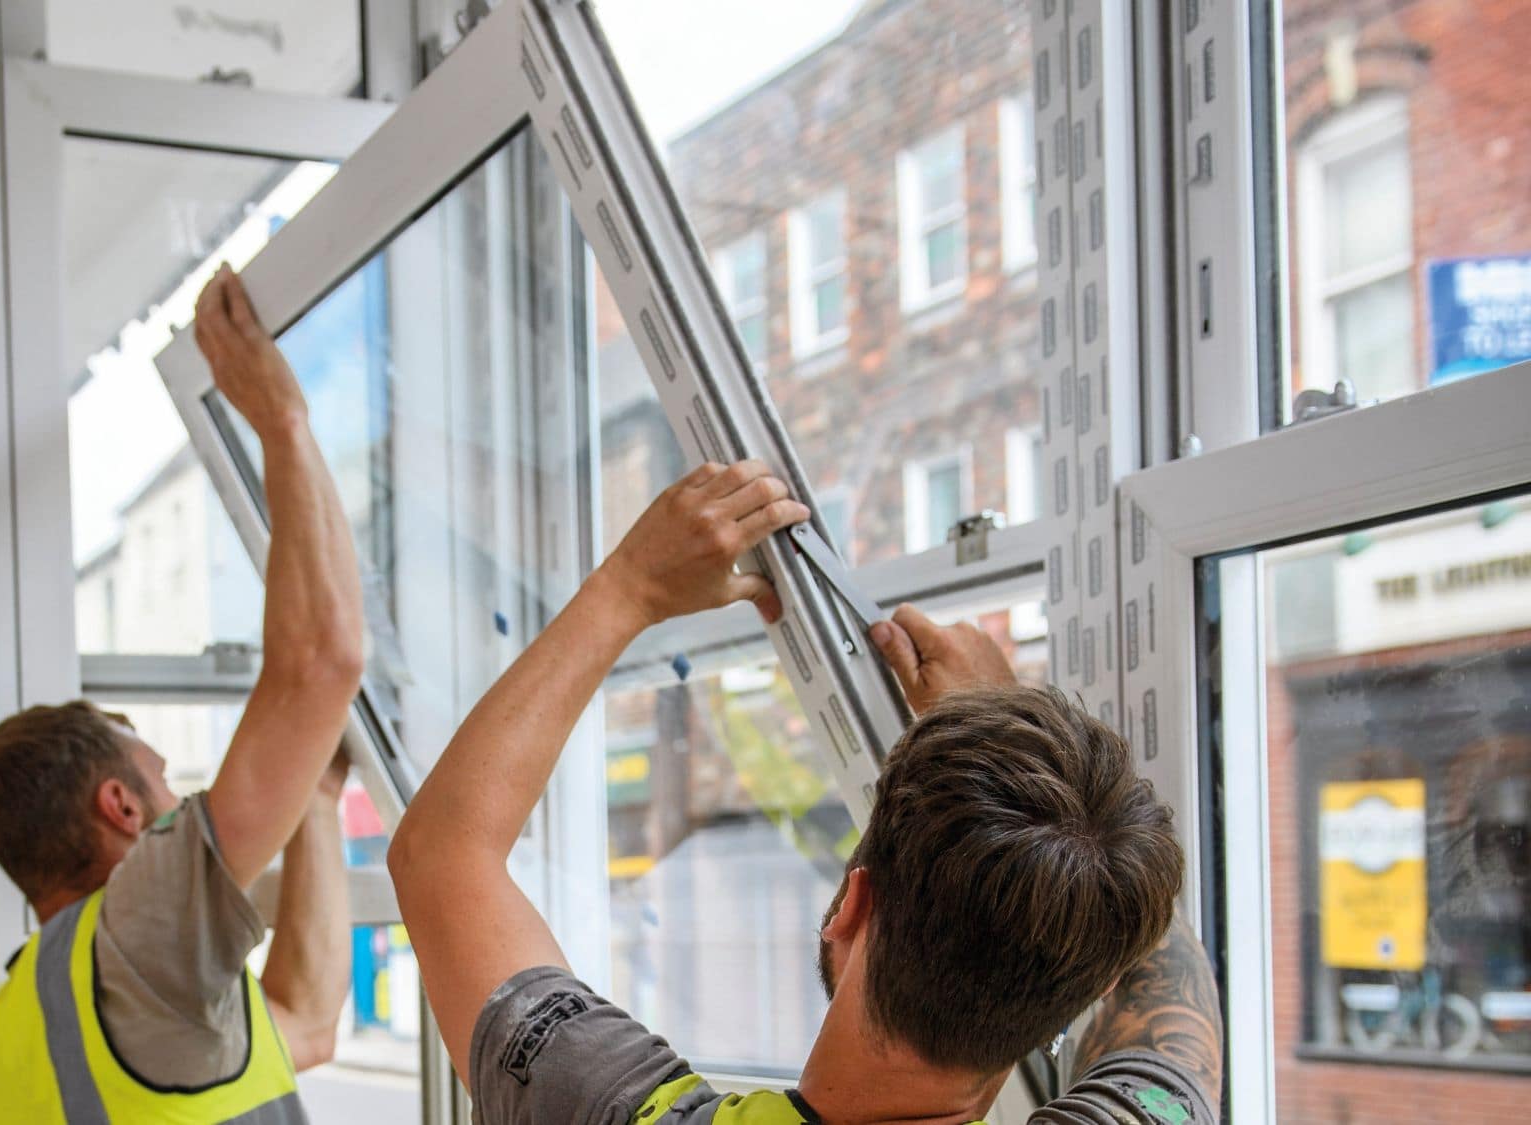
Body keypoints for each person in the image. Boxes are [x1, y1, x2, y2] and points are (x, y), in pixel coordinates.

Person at [387, 460, 1224, 1125]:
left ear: (851, 910)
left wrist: (629, 588)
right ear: (1062, 1013)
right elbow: (1168, 1010)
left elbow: (441, 853)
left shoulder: (604, 1106)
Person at [0, 266, 365, 1124]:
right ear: (121, 807)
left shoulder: (27, 1017)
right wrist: (281, 419)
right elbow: (322, 663)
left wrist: (320, 803)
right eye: (161, 776)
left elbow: (307, 1025)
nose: (184, 800)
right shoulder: (136, 929)